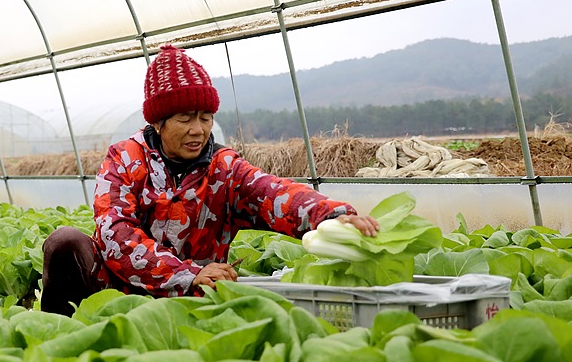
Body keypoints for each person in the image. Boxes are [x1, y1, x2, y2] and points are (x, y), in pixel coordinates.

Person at [40, 44, 380, 316]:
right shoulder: (125, 158)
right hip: (117, 299)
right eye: (185, 118)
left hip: (195, 304)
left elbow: (273, 193)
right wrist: (184, 273)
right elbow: (116, 234)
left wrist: (332, 217)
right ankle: (57, 340)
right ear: (158, 123)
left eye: (205, 118)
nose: (198, 129)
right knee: (64, 242)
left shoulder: (224, 168)